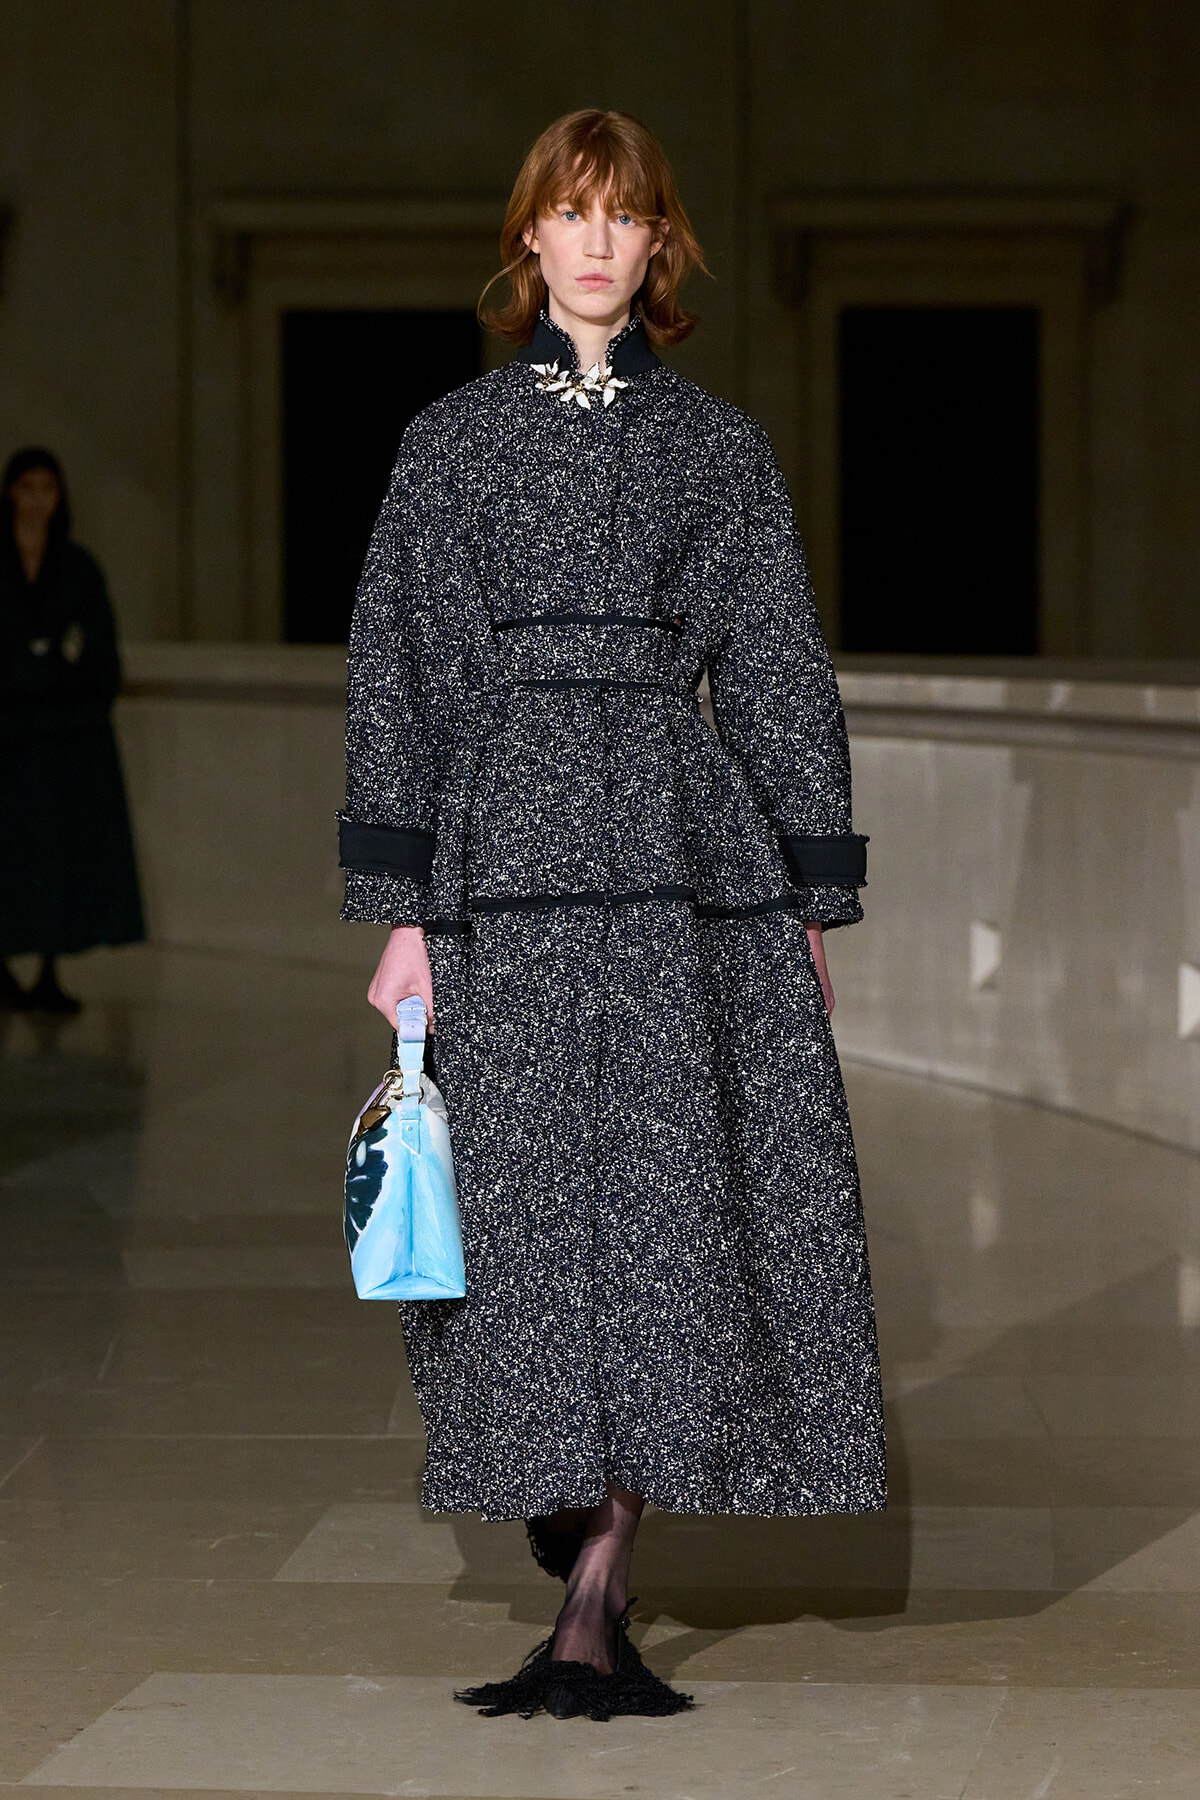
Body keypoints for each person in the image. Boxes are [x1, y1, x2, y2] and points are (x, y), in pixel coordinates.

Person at [339, 109, 885, 1722]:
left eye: (624, 216)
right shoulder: (451, 441)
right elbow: (400, 666)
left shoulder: (718, 446)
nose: (595, 241)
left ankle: (598, 1582)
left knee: (670, 1207)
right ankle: (564, 1482)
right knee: (515, 1214)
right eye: (569, 212)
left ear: (661, 246)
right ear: (529, 237)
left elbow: (773, 658)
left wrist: (810, 891)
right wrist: (398, 910)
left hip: (677, 859)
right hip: (501, 860)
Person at [0, 448, 145, 1012]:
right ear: (11, 493)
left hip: (61, 732)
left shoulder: (77, 566)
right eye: (27, 487)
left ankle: (48, 967)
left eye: (47, 489)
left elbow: (100, 648)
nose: (37, 500)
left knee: (58, 852)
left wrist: (67, 686)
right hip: (9, 730)